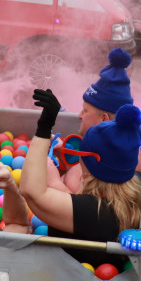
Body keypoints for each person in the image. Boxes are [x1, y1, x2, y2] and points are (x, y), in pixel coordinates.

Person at [12, 88, 141, 267]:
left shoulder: (91, 211)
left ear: (88, 164)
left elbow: (30, 191)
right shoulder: (136, 183)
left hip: (71, 278)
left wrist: (44, 127)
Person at [51, 47, 134, 194]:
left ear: (103, 119)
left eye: (85, 110)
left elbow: (83, 207)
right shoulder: (98, 149)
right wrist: (65, 155)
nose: (79, 115)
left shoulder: (108, 164)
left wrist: (52, 180)